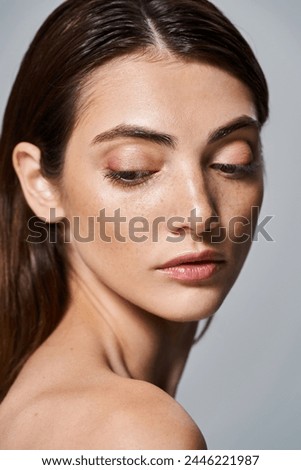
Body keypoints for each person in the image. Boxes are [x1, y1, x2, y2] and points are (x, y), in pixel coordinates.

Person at [0, 0, 269, 450]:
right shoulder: (137, 431)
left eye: (232, 161)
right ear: (40, 184)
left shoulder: (34, 403)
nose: (199, 213)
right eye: (134, 170)